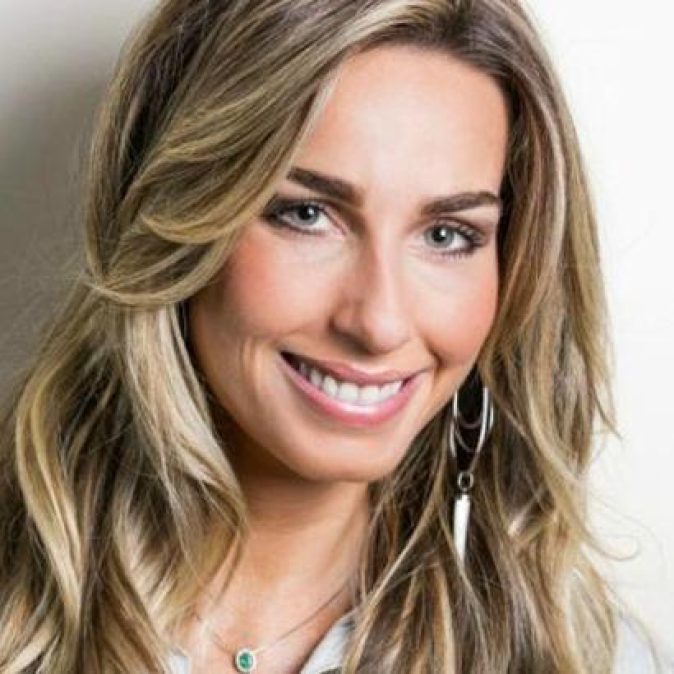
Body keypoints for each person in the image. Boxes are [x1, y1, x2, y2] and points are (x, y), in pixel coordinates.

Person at [0, 0, 667, 672]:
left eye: (447, 235)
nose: (379, 322)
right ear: (177, 213)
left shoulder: (583, 656)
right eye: (307, 214)